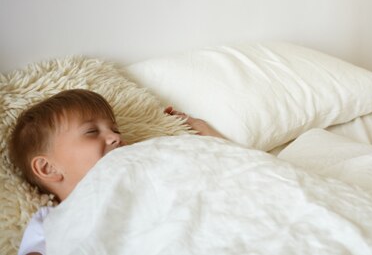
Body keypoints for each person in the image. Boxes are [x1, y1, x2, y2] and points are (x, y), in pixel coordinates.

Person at [8, 88, 223, 255]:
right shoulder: (49, 222)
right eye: (92, 132)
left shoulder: (147, 174)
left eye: (115, 129)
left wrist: (206, 134)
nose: (115, 137)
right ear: (48, 167)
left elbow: (220, 175)